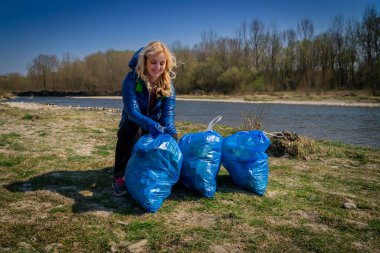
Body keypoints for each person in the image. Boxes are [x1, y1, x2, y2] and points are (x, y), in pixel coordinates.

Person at [112, 41, 178, 196]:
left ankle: (168, 173)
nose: (158, 67)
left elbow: (168, 114)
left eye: (162, 63)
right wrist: (151, 124)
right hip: (135, 124)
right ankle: (119, 176)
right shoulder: (131, 79)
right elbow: (132, 112)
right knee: (128, 128)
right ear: (145, 61)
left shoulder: (167, 83)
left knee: (172, 137)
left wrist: (170, 130)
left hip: (156, 126)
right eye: (153, 62)